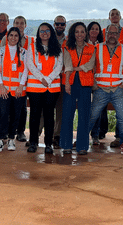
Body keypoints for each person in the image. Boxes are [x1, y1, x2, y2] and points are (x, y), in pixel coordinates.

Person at [89, 23, 123, 155]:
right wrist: (94, 85)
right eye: (110, 33)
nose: (112, 35)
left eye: (115, 33)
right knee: (92, 115)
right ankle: (82, 139)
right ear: (106, 34)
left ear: (119, 34)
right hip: (100, 89)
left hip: (119, 89)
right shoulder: (97, 48)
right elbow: (90, 68)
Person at [24, 23, 63, 154]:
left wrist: (49, 79)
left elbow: (59, 66)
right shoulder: (32, 47)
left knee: (49, 116)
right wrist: (42, 78)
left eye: (47, 31)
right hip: (35, 87)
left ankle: (48, 144)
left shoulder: (57, 48)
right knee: (34, 115)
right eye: (42, 31)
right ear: (38, 33)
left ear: (51, 32)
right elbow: (30, 64)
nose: (44, 33)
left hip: (52, 88)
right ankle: (33, 142)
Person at [61, 22, 95, 155]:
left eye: (82, 32)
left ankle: (82, 146)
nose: (79, 34)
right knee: (68, 114)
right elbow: (67, 65)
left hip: (85, 84)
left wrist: (78, 68)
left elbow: (90, 65)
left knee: (84, 115)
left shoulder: (92, 48)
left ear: (86, 33)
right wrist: (68, 83)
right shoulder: (67, 47)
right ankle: (66, 145)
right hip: (70, 82)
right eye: (77, 32)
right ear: (73, 34)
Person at [0, 27, 28, 152]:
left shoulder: (24, 52)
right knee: (3, 114)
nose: (13, 38)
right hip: (4, 90)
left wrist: (21, 85)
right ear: (7, 37)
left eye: (16, 35)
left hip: (18, 90)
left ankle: (11, 139)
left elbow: (25, 70)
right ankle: (2, 138)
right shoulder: (1, 51)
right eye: (11, 35)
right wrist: (1, 85)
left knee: (15, 115)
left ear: (19, 38)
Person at [86, 21, 107, 144]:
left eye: (97, 29)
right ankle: (83, 133)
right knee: (86, 109)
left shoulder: (103, 46)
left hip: (99, 81)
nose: (94, 31)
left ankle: (95, 135)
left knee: (98, 109)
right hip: (85, 79)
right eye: (92, 28)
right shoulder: (83, 44)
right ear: (88, 30)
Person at [51, 15, 67, 148]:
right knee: (46, 109)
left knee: (60, 110)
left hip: (63, 79)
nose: (60, 26)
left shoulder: (69, 41)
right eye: (58, 24)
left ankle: (57, 136)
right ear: (54, 25)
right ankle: (38, 134)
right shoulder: (48, 40)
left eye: (62, 24)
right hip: (49, 79)